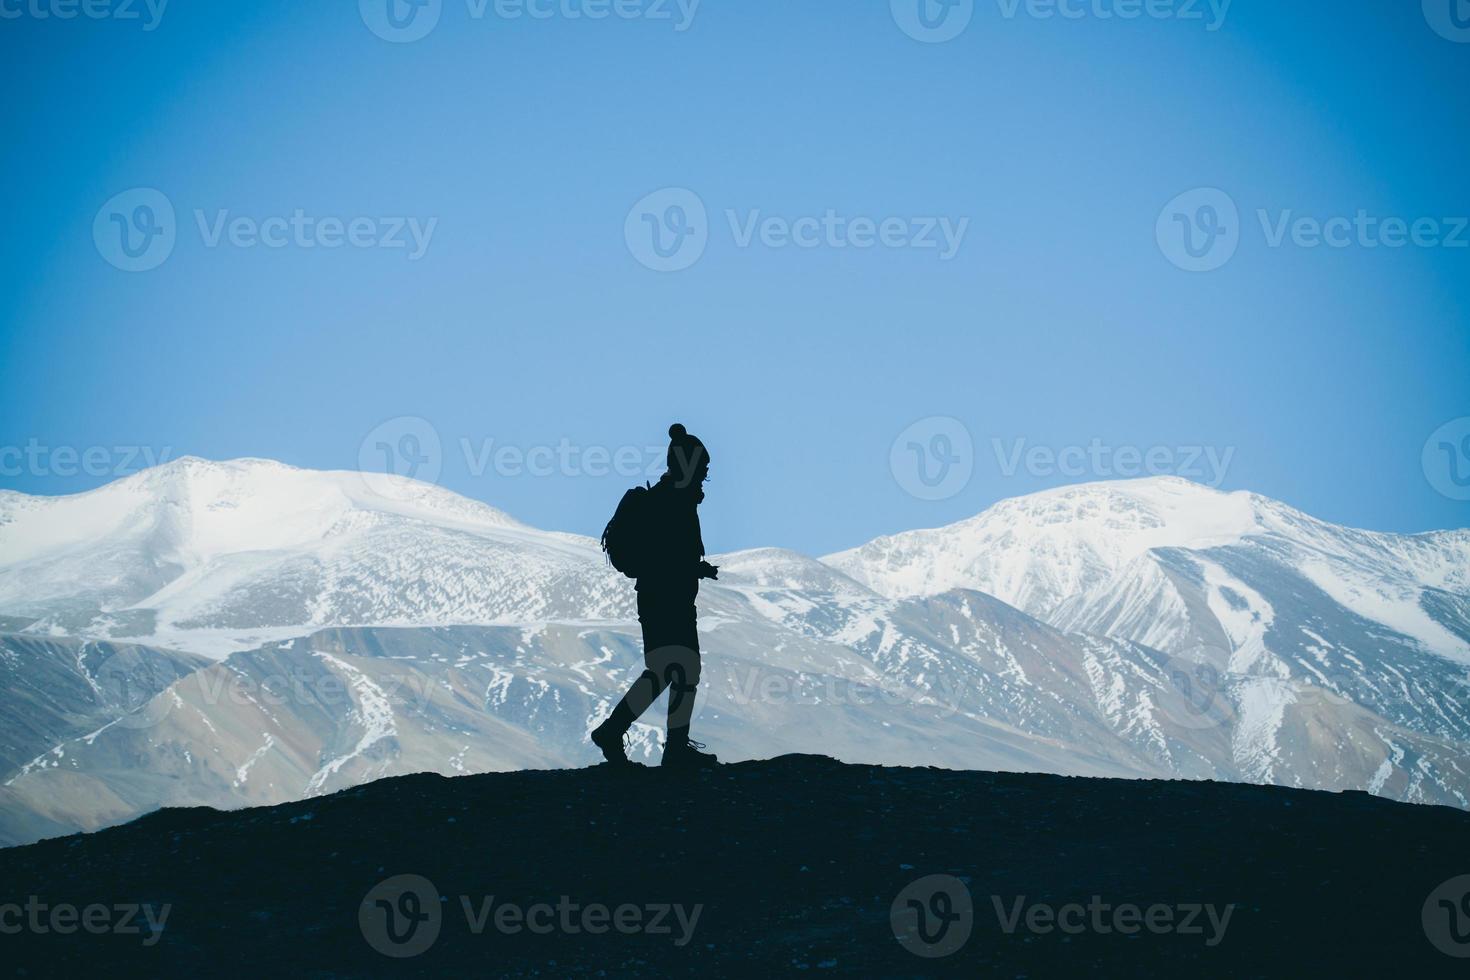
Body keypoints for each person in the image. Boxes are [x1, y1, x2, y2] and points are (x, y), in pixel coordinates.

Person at [591, 423, 720, 768]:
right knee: (682, 670)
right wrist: (695, 569)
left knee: (667, 671)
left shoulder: (670, 500)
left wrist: (695, 569)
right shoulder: (674, 503)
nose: (706, 475)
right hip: (668, 599)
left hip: (658, 598)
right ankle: (671, 748)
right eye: (703, 468)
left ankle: (617, 732)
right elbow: (670, 558)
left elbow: (665, 557)